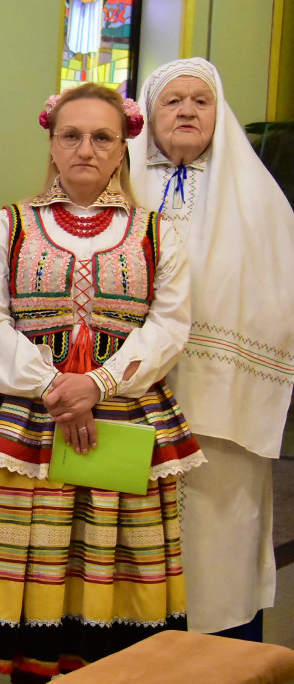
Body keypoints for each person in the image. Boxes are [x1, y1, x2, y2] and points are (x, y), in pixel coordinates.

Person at [0, 83, 205, 681]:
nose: (86, 148)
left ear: (123, 149)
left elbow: (169, 325)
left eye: (102, 137)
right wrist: (56, 388)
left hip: (125, 420)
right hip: (28, 426)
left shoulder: (157, 232)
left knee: (109, 572)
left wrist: (100, 384)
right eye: (71, 135)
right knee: (34, 565)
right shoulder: (10, 225)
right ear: (53, 145)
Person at [130, 58, 294, 640]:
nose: (187, 111)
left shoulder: (260, 201)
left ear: (219, 113)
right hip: (132, 397)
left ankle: (220, 647)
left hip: (224, 407)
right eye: (172, 100)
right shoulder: (120, 187)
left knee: (217, 533)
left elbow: (278, 297)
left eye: (201, 100)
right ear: (149, 113)